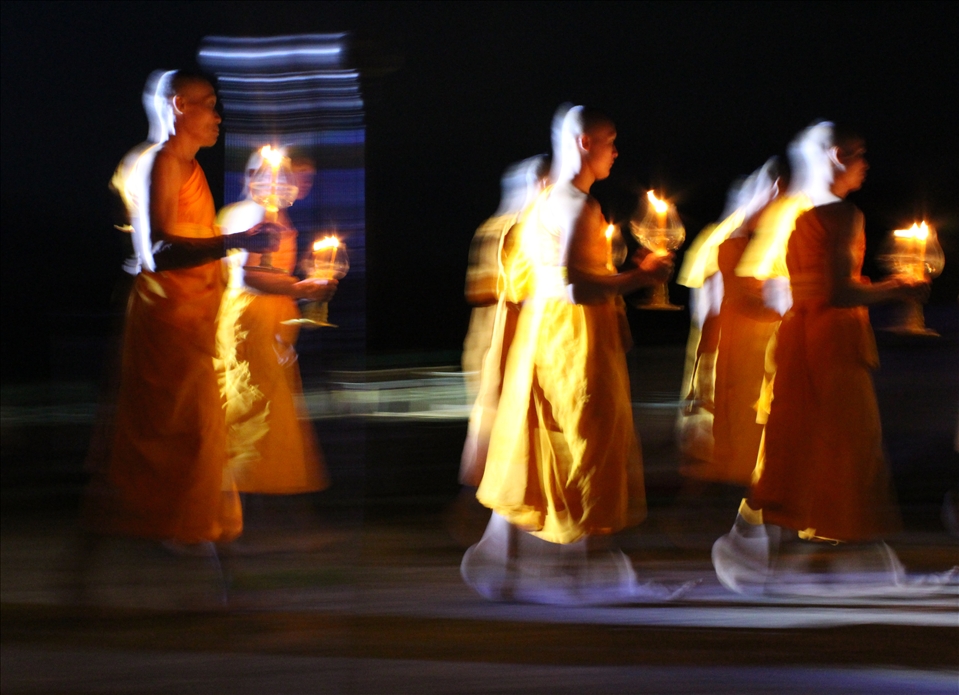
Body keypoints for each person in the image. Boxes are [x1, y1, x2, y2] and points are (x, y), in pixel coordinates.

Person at [461, 106, 673, 603]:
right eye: (610, 140)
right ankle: (584, 574)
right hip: (573, 344)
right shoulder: (578, 206)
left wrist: (624, 273)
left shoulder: (542, 205)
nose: (616, 151)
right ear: (583, 142)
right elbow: (576, 287)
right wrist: (641, 278)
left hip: (545, 339)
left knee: (547, 445)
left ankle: (505, 560)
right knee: (585, 444)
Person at [712, 123, 929, 594]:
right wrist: (899, 287)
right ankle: (842, 547)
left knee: (798, 438)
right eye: (859, 154)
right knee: (847, 441)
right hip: (832, 341)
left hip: (799, 335)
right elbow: (838, 290)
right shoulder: (842, 215)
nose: (865, 164)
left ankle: (762, 537)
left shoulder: (798, 217)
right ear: (835, 156)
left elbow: (791, 285)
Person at [85, 70, 278, 548]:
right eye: (209, 104)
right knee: (171, 440)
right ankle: (197, 564)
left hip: (191, 321)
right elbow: (158, 254)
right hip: (167, 325)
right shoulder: (163, 162)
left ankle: (207, 561)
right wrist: (236, 242)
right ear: (179, 106)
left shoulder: (183, 167)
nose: (218, 116)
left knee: (198, 439)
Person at [217, 151, 335, 497]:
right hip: (251, 320)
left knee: (266, 408)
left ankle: (257, 507)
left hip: (266, 319)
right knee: (253, 410)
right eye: (295, 176)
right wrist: (299, 287)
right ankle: (234, 504)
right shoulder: (256, 212)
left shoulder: (269, 212)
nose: (301, 185)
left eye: (307, 178)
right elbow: (248, 276)